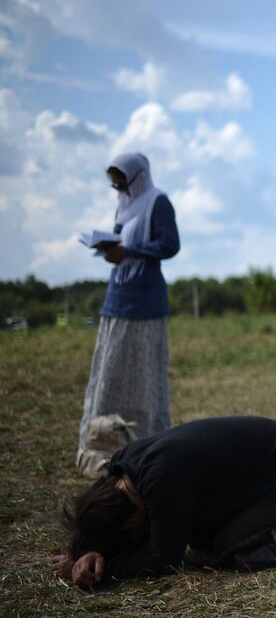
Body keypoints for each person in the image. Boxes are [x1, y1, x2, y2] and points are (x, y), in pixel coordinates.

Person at [52, 416, 276, 585]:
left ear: (130, 520)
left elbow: (163, 558)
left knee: (223, 544)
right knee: (202, 535)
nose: (140, 535)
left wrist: (106, 570)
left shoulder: (160, 478)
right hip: (275, 467)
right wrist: (86, 552)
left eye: (135, 533)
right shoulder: (123, 469)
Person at [77, 152, 180, 474]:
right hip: (118, 297)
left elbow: (170, 245)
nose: (118, 188)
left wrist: (131, 251)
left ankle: (145, 445)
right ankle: (105, 442)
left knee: (143, 376)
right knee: (109, 373)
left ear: (138, 176)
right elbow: (119, 240)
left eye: (121, 181)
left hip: (145, 302)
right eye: (114, 184)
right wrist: (110, 250)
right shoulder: (124, 204)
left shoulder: (158, 202)